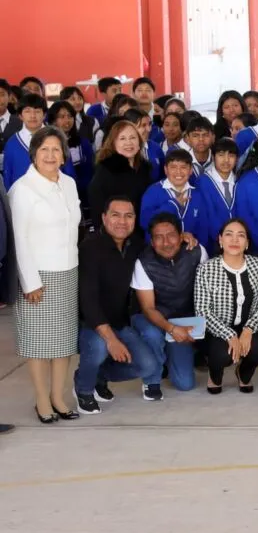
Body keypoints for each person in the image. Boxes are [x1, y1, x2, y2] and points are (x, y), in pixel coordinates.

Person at [10, 127, 82, 422]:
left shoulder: (68, 184)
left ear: (64, 155)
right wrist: (30, 282)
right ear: (34, 154)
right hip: (37, 275)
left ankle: (58, 396)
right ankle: (42, 400)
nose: (51, 155)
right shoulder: (23, 190)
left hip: (67, 269)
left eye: (56, 149)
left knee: (63, 341)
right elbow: (19, 239)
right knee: (38, 344)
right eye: (44, 150)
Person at [75, 196, 164, 413]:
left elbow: (161, 247)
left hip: (120, 322)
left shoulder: (135, 244)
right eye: (116, 215)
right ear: (104, 218)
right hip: (91, 322)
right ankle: (83, 388)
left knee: (149, 365)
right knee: (97, 349)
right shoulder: (91, 247)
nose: (122, 221)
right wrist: (111, 340)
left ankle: (98, 376)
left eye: (128, 216)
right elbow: (88, 300)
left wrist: (186, 239)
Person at [131, 213, 208, 393]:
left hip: (183, 318)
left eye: (171, 235)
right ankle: (152, 381)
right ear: (151, 242)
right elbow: (148, 308)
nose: (166, 242)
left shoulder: (196, 252)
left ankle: (168, 358)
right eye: (159, 237)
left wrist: (194, 325)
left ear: (181, 236)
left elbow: (206, 292)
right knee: (152, 335)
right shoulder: (144, 262)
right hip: (153, 318)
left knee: (185, 384)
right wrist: (172, 329)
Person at [193, 218, 258, 394]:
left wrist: (249, 330)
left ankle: (243, 373)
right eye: (229, 235)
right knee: (221, 354)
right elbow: (202, 310)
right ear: (220, 240)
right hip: (217, 330)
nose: (234, 240)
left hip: (248, 326)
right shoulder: (206, 269)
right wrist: (229, 335)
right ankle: (215, 375)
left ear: (247, 243)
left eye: (240, 236)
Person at [89, 119, 153, 224]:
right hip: (116, 230)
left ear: (139, 143)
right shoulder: (106, 169)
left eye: (132, 138)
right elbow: (97, 208)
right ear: (113, 144)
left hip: (141, 230)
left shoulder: (145, 168)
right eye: (122, 138)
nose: (128, 143)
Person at [140, 148, 203, 241]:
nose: (178, 172)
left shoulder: (197, 194)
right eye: (173, 167)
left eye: (183, 167)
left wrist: (199, 246)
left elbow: (203, 228)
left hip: (189, 250)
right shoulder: (153, 191)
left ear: (191, 170)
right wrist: (173, 205)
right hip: (158, 250)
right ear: (165, 170)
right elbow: (145, 222)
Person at [196, 137, 239, 253]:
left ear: (237, 159)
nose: (226, 160)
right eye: (221, 155)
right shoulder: (202, 182)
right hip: (212, 244)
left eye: (231, 156)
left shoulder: (240, 182)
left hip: (238, 243)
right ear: (213, 157)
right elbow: (205, 216)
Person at [4, 94, 51, 188]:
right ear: (20, 116)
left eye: (37, 111)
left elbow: (68, 171)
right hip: (21, 197)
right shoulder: (12, 143)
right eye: (27, 111)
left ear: (44, 115)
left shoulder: (56, 138)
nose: (33, 116)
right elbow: (8, 175)